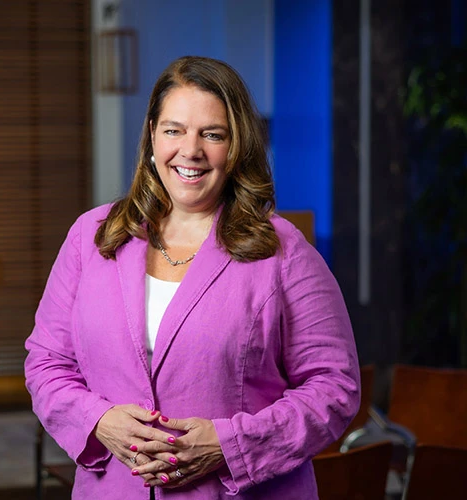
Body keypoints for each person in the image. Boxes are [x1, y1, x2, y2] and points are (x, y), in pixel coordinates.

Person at [24, 56, 360, 499]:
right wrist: (98, 420)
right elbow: (46, 362)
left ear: (236, 145)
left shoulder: (284, 251)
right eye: (174, 130)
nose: (191, 150)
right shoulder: (92, 236)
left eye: (213, 135)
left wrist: (230, 445)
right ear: (151, 136)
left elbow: (334, 388)